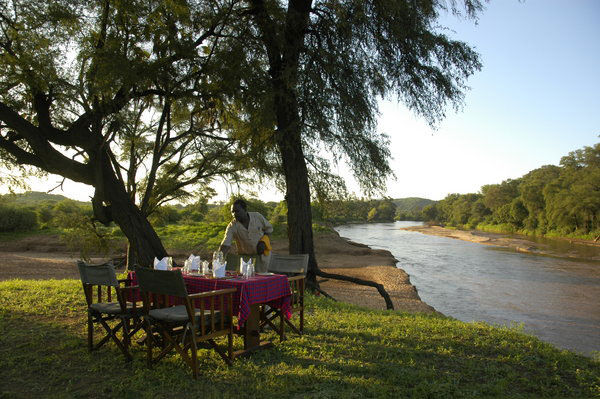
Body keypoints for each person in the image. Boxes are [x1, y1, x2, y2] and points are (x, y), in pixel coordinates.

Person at [219, 199, 273, 272]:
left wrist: (263, 242)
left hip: (262, 257)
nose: (234, 214)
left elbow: (269, 230)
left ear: (244, 210)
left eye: (237, 211)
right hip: (245, 259)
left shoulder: (257, 217)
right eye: (232, 212)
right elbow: (225, 245)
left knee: (261, 279)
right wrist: (217, 260)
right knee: (247, 278)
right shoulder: (232, 226)